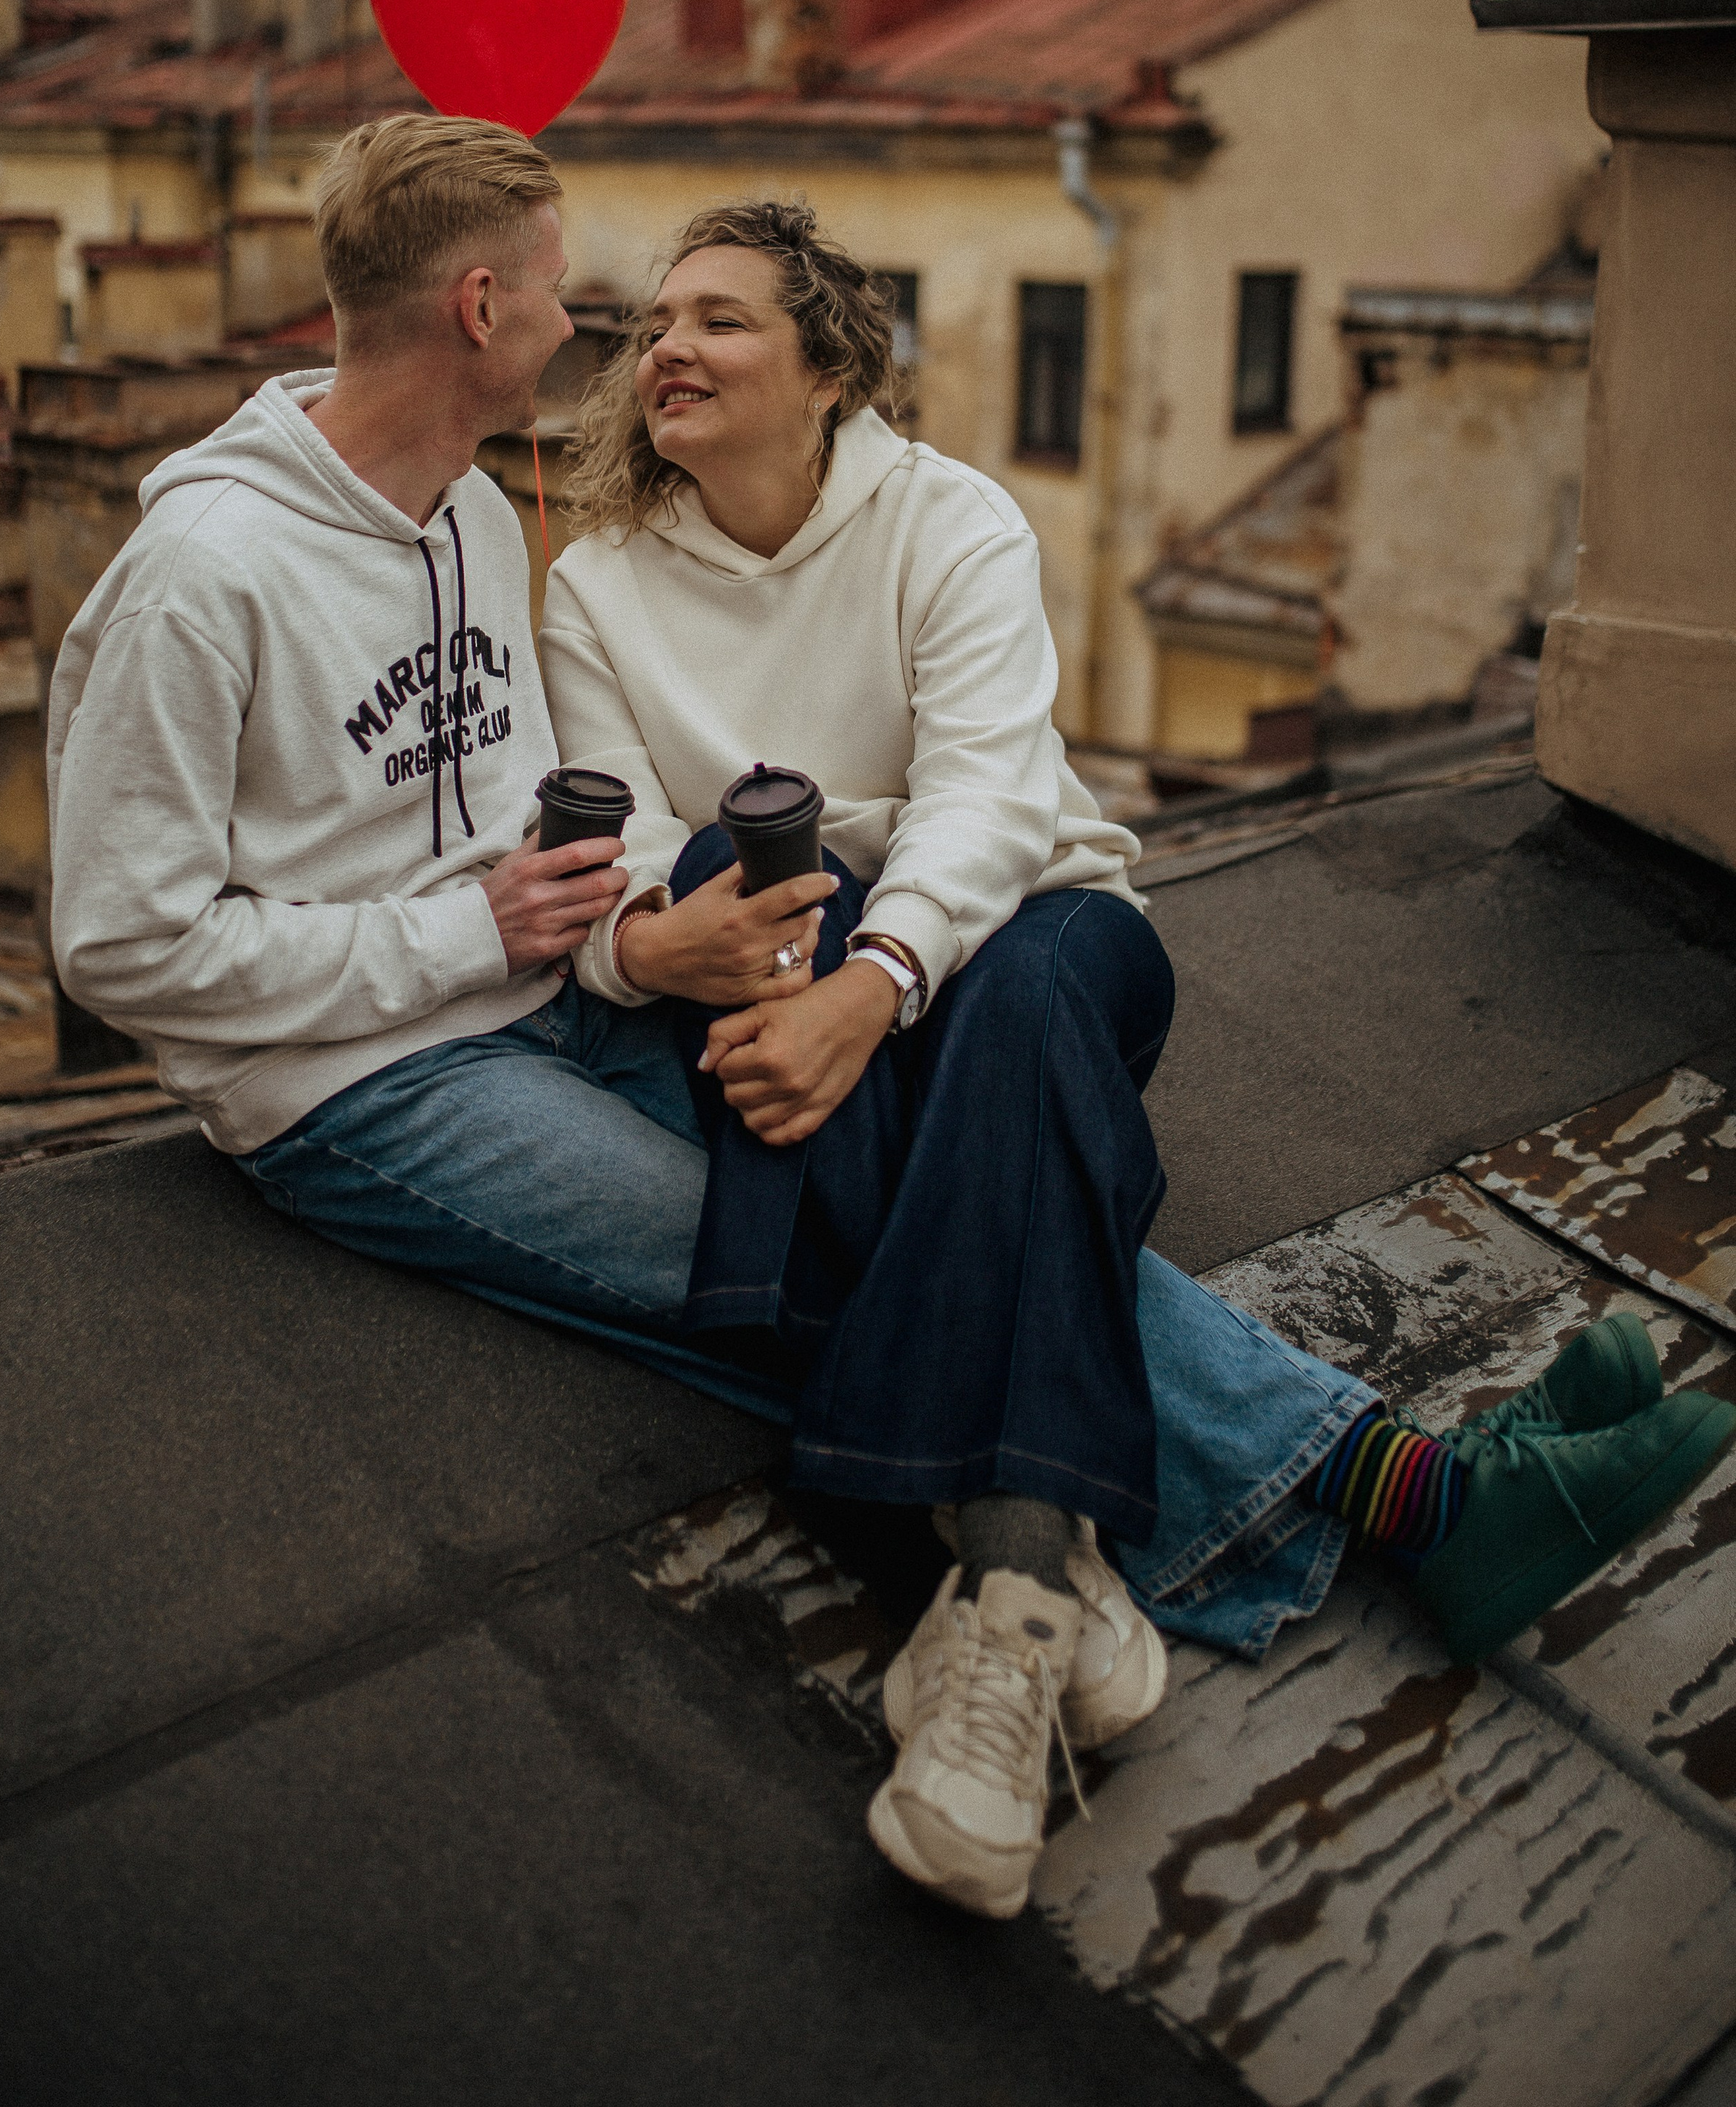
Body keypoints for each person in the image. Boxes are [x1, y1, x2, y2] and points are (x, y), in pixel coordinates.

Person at [45, 122, 1727, 1927]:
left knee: (892, 1183)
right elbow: (119, 946)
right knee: (790, 1249)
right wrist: (473, 937)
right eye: (564, 287)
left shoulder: (469, 516)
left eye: (691, 310)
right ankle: (1347, 1505)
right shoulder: (208, 572)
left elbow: (593, 845)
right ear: (480, 301)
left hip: (582, 992)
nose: (595, 325)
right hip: (361, 1079)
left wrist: (618, 955)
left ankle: (1129, 1560)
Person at [537, 196, 1735, 1918]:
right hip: (781, 973)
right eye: (657, 321)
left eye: (720, 318)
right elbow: (635, 854)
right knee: (791, 933)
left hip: (1028, 935)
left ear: (829, 367)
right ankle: (1057, 1581)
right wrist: (702, 930)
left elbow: (988, 791)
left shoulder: (948, 520)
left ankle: (1009, 1576)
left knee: (1010, 1005)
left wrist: (873, 969)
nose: (667, 346)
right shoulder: (596, 583)